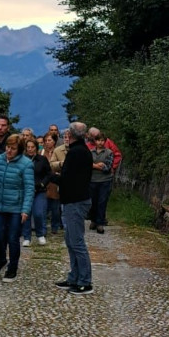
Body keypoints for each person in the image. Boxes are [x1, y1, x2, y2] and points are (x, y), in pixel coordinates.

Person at [55, 122, 94, 295]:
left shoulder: (76, 153)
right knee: (71, 241)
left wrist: (48, 176)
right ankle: (74, 277)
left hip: (75, 201)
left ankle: (85, 281)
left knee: (76, 242)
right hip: (75, 200)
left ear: (70, 134)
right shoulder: (82, 151)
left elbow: (67, 179)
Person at [0, 134, 34, 282]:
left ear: (19, 150)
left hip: (16, 207)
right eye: (8, 147)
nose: (9, 151)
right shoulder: (0, 159)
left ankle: (12, 268)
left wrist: (25, 209)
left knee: (12, 238)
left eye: (13, 148)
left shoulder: (26, 164)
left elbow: (29, 188)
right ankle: (1, 259)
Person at [21, 138, 51, 246]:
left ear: (36, 148)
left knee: (38, 213)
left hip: (39, 190)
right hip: (25, 190)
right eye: (28, 147)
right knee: (26, 214)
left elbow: (48, 174)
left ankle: (40, 234)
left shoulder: (42, 159)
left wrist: (42, 184)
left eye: (32, 147)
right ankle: (27, 237)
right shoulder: (22, 160)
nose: (30, 149)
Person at [89, 132, 114, 234]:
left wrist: (95, 165)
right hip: (92, 180)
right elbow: (87, 164)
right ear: (95, 141)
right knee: (92, 202)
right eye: (98, 140)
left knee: (102, 202)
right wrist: (97, 166)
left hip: (105, 181)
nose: (100, 142)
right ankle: (93, 220)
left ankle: (100, 223)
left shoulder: (109, 153)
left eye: (102, 140)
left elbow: (107, 167)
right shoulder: (90, 152)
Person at [41, 131, 62, 240]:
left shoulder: (58, 152)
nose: (47, 142)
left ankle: (55, 226)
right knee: (43, 207)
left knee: (55, 208)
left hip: (54, 182)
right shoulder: (41, 152)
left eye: (50, 140)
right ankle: (43, 229)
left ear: (54, 141)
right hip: (44, 182)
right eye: (46, 140)